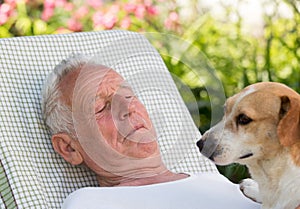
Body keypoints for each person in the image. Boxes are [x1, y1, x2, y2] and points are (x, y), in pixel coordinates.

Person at [41, 54, 260, 209]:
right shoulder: (91, 203)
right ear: (69, 148)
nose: (128, 107)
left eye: (128, 94)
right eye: (100, 107)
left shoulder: (219, 183)